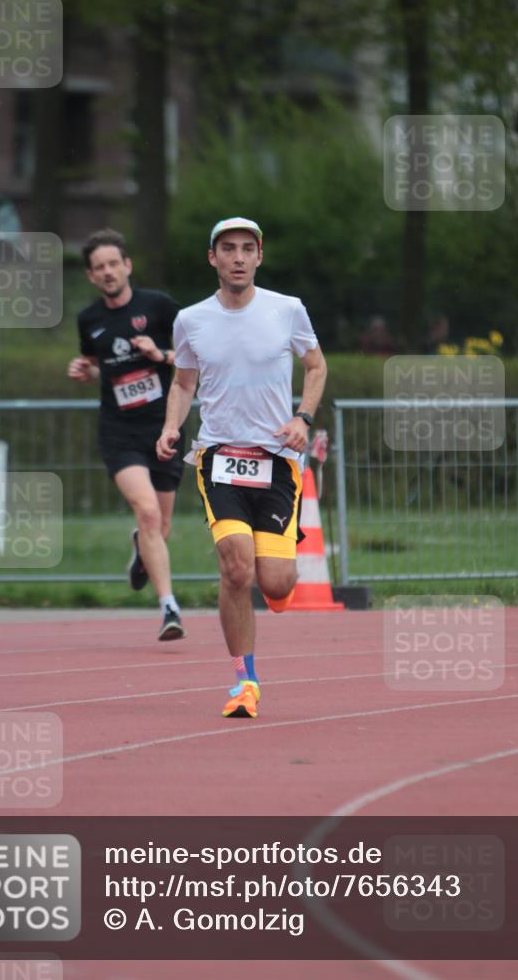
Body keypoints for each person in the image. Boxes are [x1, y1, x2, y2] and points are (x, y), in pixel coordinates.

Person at [157, 217, 327, 717]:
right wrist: (172, 427)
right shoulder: (190, 320)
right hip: (219, 456)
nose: (236, 257)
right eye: (227, 249)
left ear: (258, 256)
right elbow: (183, 383)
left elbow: (316, 366)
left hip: (277, 460)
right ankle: (244, 682)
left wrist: (303, 418)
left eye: (245, 249)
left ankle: (276, 583)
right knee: (236, 567)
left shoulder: (287, 310)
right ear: (213, 258)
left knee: (275, 583)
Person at [67, 228, 185, 641]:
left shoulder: (158, 306)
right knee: (148, 512)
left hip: (165, 427)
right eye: (99, 267)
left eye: (113, 264)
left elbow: (197, 356)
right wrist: (86, 371)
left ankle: (141, 550)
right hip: (119, 432)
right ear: (91, 276)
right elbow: (97, 364)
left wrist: (161, 354)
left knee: (160, 525)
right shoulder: (90, 320)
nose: (107, 272)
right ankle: (169, 608)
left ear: (127, 266)